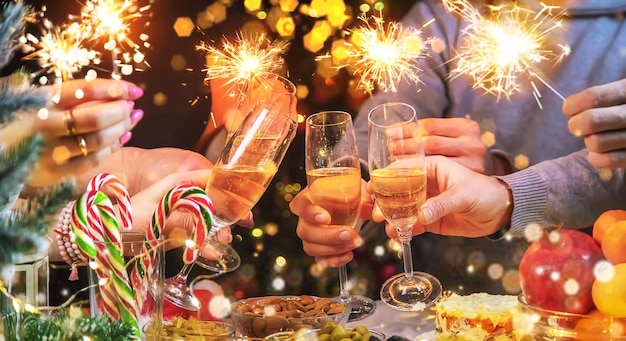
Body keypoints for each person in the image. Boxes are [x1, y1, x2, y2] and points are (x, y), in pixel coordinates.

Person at [290, 0, 626, 294]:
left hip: (596, 298)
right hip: (447, 301)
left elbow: (615, 176)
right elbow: (389, 113)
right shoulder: (446, 14)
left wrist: (504, 187)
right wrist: (354, 185)